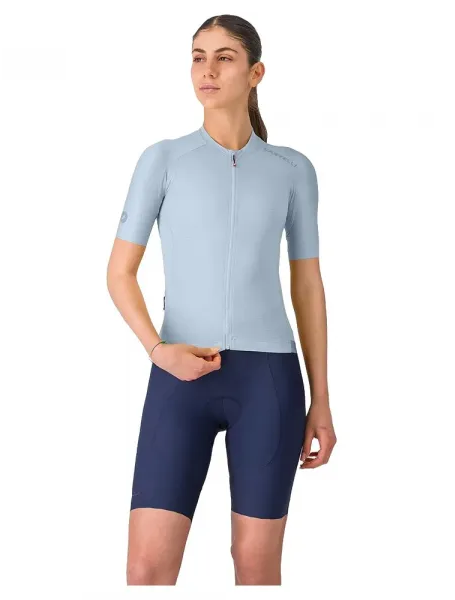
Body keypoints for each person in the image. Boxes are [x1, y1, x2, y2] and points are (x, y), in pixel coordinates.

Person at [106, 14, 337, 586]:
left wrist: (322, 399)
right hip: (178, 376)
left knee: (255, 567)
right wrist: (158, 350)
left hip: (269, 382)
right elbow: (119, 273)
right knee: (146, 569)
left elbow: (307, 285)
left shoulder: (292, 170)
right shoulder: (162, 159)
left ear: (256, 73)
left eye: (224, 57)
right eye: (197, 56)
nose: (206, 69)